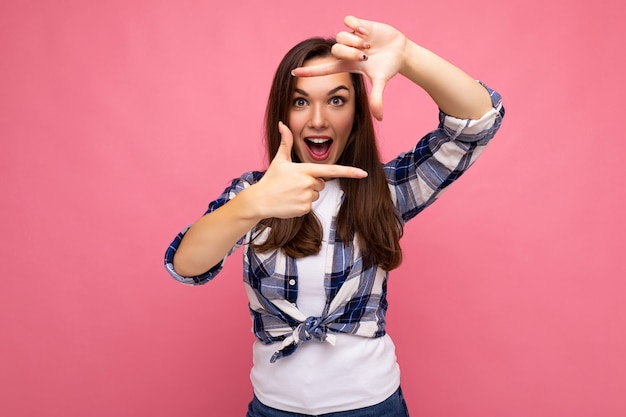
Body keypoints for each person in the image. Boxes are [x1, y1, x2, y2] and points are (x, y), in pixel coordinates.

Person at [164, 15, 504, 417]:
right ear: (283, 113)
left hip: (373, 407)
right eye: (300, 101)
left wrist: (407, 55)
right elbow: (185, 266)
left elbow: (477, 124)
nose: (318, 119)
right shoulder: (254, 194)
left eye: (337, 99)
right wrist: (252, 204)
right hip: (274, 409)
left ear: (356, 113)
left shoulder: (387, 190)